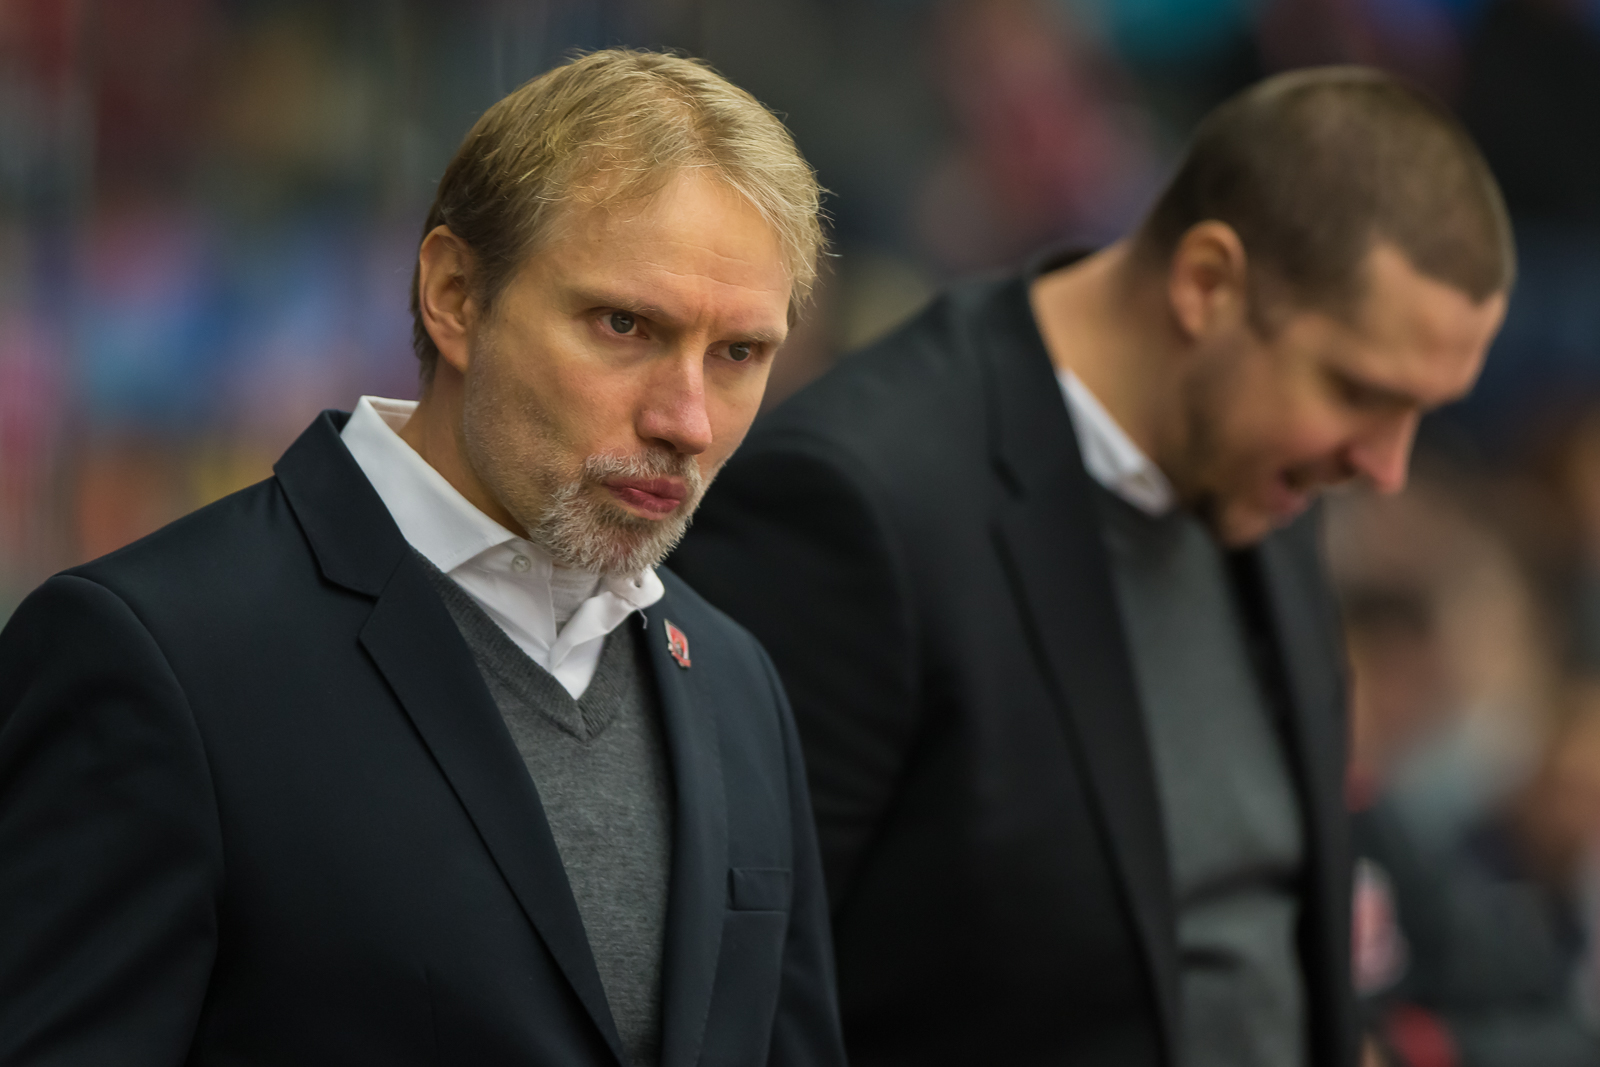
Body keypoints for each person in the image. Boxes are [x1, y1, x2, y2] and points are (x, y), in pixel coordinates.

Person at [0, 50, 844, 1067]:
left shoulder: (737, 683)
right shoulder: (161, 653)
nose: (688, 420)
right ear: (454, 295)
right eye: (624, 325)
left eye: (739, 352)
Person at [671, 66, 1513, 1067]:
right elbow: (742, 1001)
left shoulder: (1260, 465)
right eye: (1358, 392)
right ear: (1206, 283)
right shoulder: (857, 502)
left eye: (1418, 411)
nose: (1386, 465)